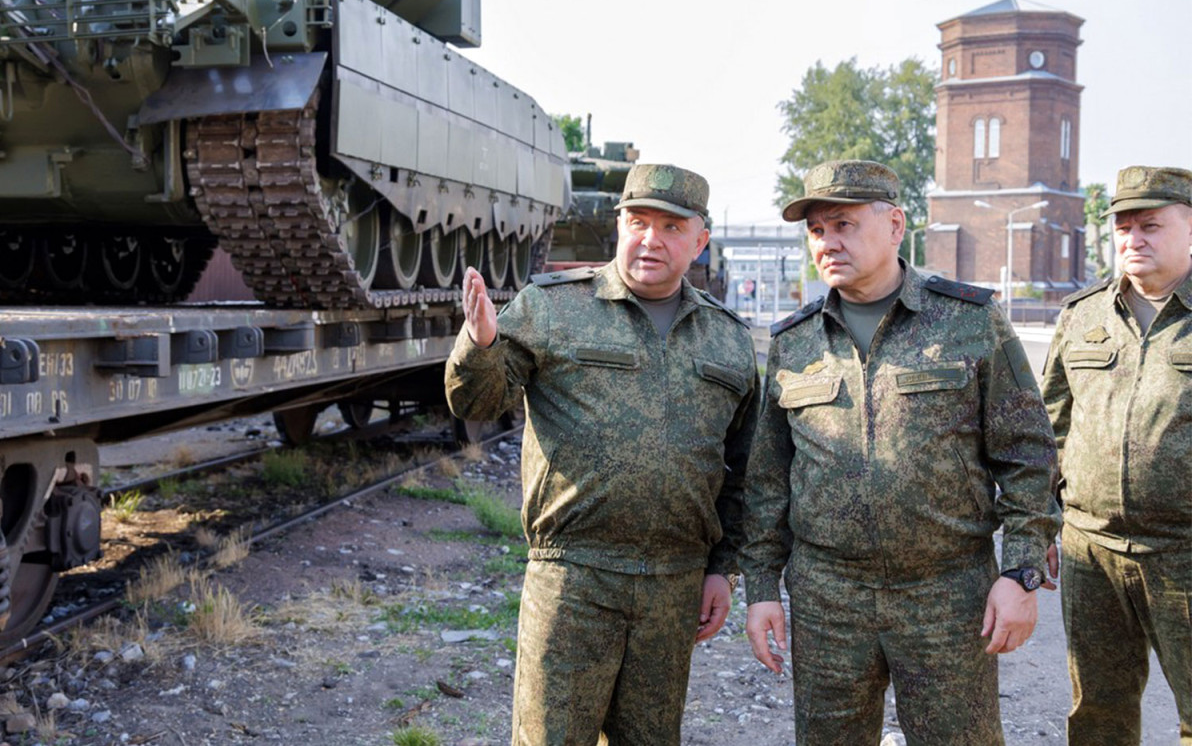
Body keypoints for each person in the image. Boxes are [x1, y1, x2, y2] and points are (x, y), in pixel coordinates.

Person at [741, 159, 1061, 745]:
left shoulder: (969, 320)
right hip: (828, 598)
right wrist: (761, 589)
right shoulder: (795, 341)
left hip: (946, 593)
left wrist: (1021, 571)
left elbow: (1028, 454)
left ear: (895, 225)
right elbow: (767, 480)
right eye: (816, 230)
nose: (828, 242)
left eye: (843, 224)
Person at [445, 163, 758, 746]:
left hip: (674, 585)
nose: (650, 239)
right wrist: (481, 343)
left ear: (700, 241)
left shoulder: (729, 339)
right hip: (572, 577)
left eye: (670, 226)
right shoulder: (555, 307)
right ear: (619, 225)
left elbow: (744, 469)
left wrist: (723, 568)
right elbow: (478, 401)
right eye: (637, 221)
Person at [1040, 165, 1192, 745]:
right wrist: (1047, 520)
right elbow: (1050, 422)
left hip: (1183, 554)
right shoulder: (1084, 315)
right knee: (1098, 711)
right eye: (1123, 227)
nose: (1133, 240)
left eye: (1150, 225)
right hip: (1091, 550)